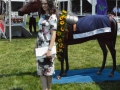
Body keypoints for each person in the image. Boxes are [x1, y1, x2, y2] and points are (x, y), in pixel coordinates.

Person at [34, 0, 57, 90]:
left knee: (48, 71)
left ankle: (49, 89)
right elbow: (40, 32)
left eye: (45, 3)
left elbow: (53, 34)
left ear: (49, 4)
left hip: (48, 46)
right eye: (42, 3)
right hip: (40, 46)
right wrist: (36, 45)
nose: (43, 5)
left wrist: (50, 49)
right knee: (41, 71)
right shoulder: (42, 16)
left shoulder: (53, 17)